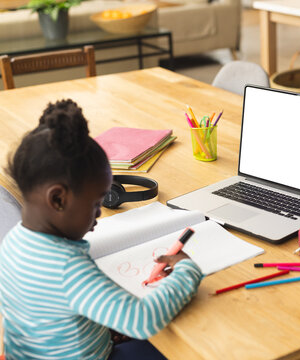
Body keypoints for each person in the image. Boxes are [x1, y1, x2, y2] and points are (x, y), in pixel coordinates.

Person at [0, 99, 203, 359]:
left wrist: (97, 325)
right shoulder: (67, 267)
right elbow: (141, 321)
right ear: (58, 199)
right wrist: (187, 273)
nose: (99, 212)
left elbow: (49, 314)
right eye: (95, 203)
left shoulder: (12, 243)